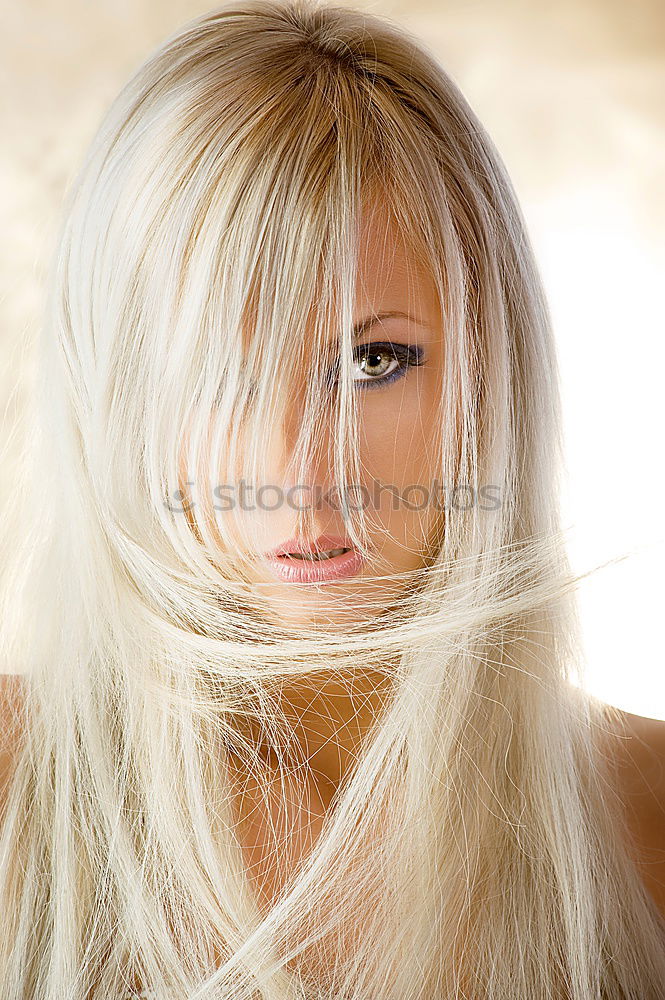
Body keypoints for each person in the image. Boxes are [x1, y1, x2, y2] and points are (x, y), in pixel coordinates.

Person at [0, 1, 663, 997]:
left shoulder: (642, 811)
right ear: (114, 388)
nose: (301, 473)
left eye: (372, 359)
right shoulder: (17, 789)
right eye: (216, 375)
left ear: (492, 363)